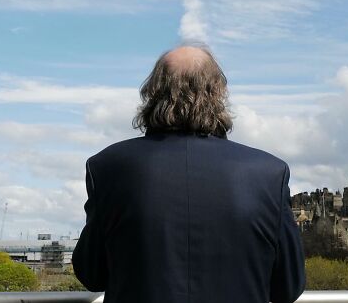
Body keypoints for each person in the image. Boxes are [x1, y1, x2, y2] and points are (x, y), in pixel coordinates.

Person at [72, 45, 305, 303]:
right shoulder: (269, 173)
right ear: (218, 93)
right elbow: (289, 287)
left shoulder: (107, 166)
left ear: (153, 93)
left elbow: (91, 274)